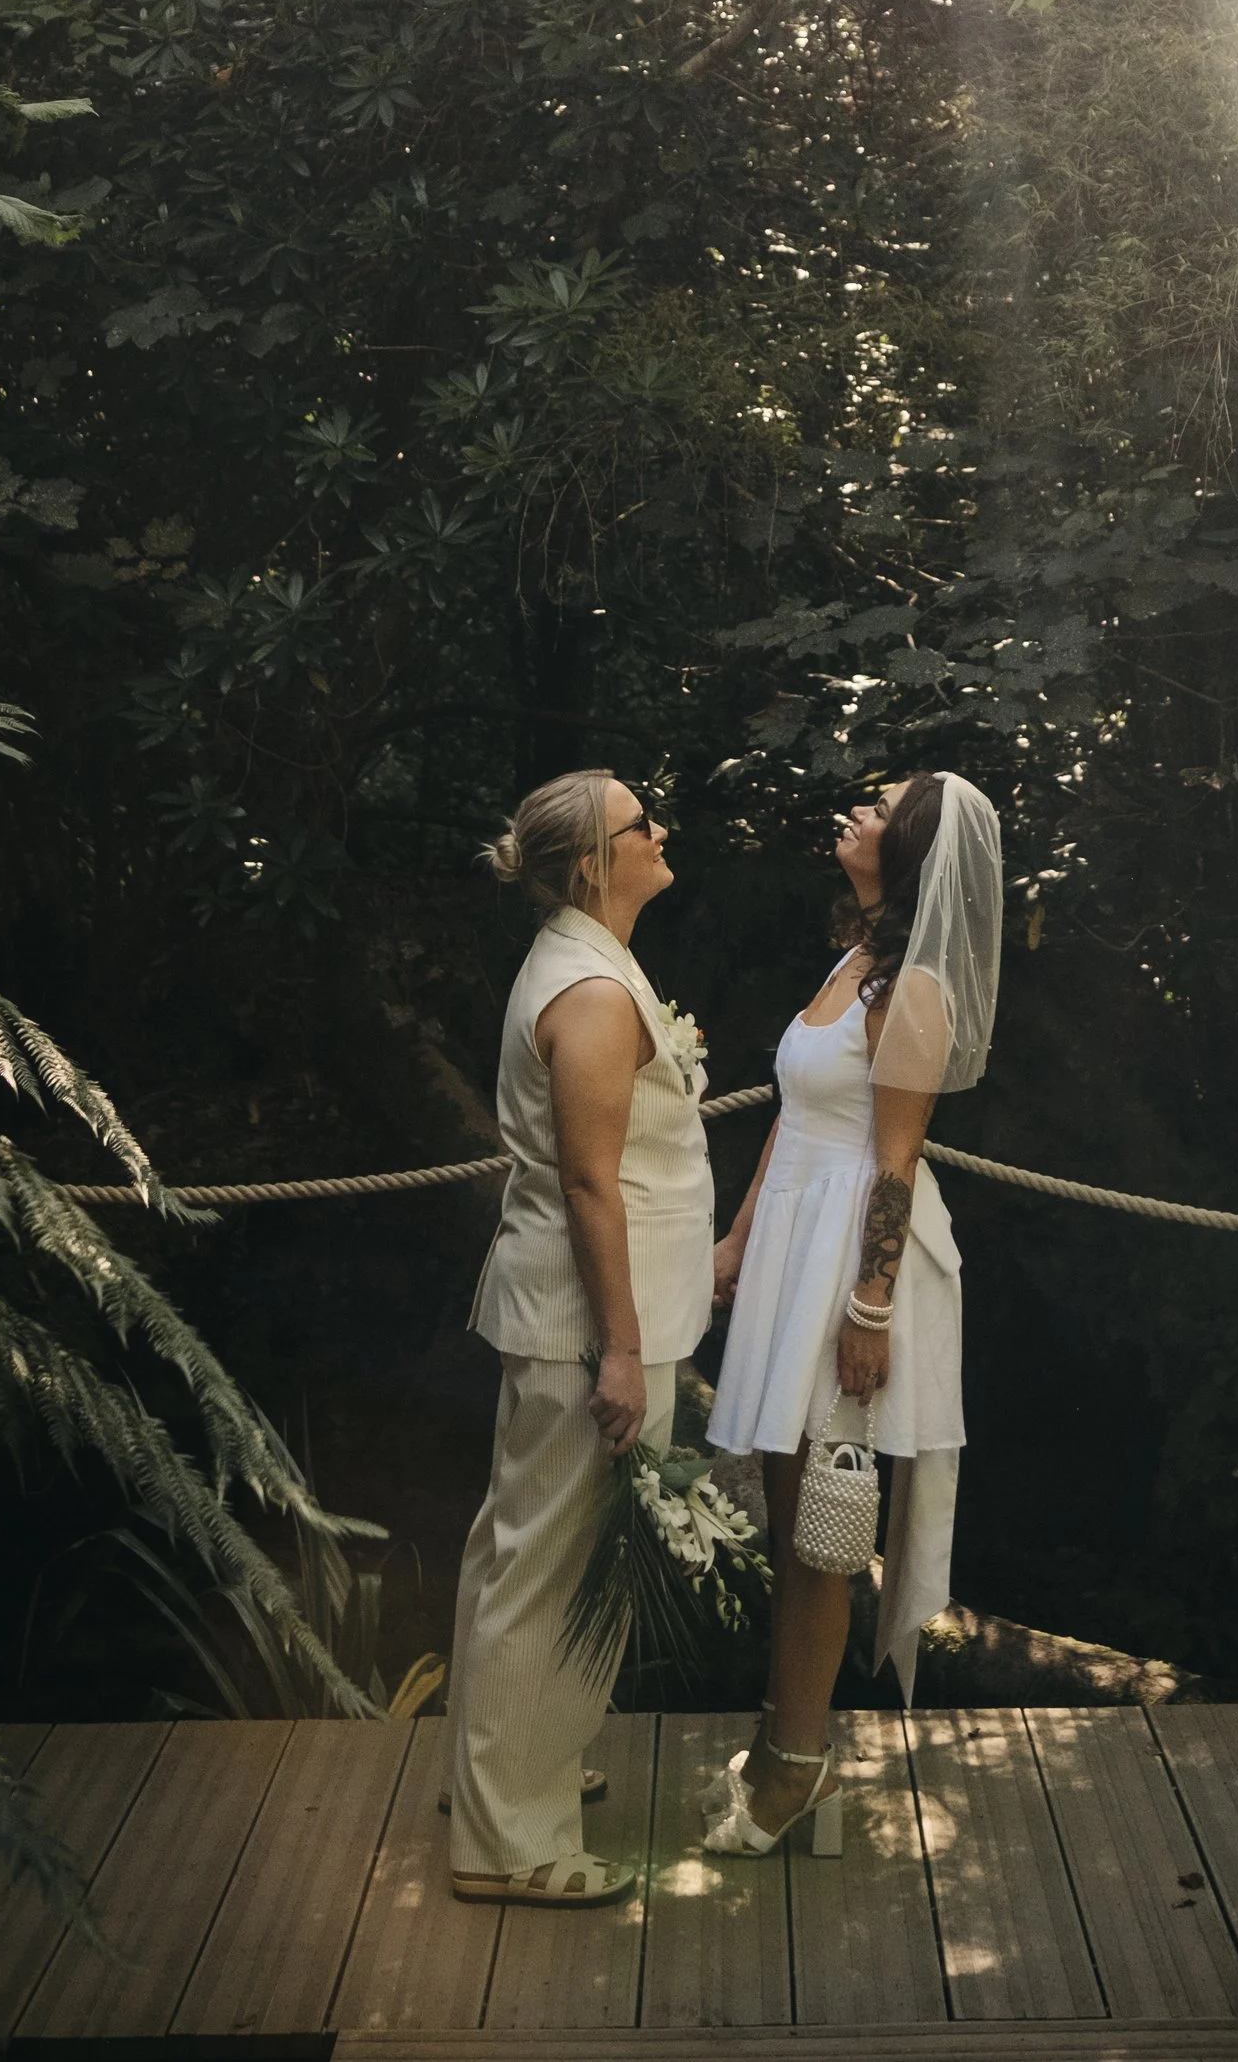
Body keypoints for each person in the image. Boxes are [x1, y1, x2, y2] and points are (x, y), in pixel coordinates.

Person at [702, 768, 1004, 1856]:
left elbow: (893, 1165)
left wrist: (868, 1308)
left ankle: (798, 1769)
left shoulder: (913, 990)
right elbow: (793, 1116)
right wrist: (738, 1237)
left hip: (852, 1265)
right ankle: (784, 1741)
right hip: (790, 1242)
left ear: (909, 849)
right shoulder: (853, 959)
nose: (852, 813)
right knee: (789, 1527)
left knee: (821, 1538)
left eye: (877, 808)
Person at [444, 768, 716, 1906]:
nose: (662, 832)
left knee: (519, 1549)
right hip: (589, 1320)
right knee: (549, 1570)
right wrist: (619, 1347)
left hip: (589, 1303)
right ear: (596, 862)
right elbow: (594, 1186)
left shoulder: (586, 957)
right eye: (640, 823)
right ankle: (508, 1845)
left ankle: (506, 1774)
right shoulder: (594, 995)